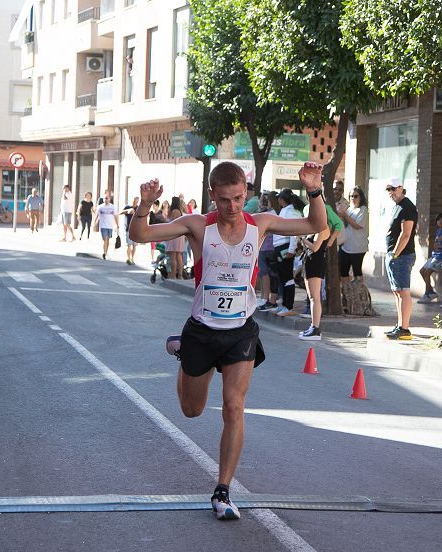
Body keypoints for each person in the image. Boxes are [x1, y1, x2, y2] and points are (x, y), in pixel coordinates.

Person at [130, 161, 325, 521]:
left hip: (240, 331)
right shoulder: (197, 225)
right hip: (202, 331)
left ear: (246, 194)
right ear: (211, 197)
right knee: (192, 411)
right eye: (224, 200)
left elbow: (316, 225)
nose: (232, 207)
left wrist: (313, 189)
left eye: (238, 198)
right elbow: (140, 235)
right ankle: (182, 350)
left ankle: (222, 490)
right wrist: (144, 204)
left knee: (234, 407)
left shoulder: (260, 224)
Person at [297, 200, 343, 342]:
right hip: (310, 261)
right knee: (311, 296)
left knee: (315, 297)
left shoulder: (323, 229)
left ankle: (315, 328)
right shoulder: (315, 228)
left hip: (315, 262)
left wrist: (303, 239)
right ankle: (313, 327)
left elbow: (315, 247)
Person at [384, 177, 418, 340]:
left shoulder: (407, 207)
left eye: (393, 189)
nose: (390, 192)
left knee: (403, 291)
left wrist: (395, 254)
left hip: (402, 256)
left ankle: (405, 328)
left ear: (400, 188)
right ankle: (400, 325)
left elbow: (406, 234)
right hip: (395, 256)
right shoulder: (397, 207)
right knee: (398, 292)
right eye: (388, 189)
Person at [270, 189, 305, 317]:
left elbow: (294, 232)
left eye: (279, 198)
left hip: (285, 248)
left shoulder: (291, 211)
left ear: (282, 200)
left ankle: (288, 306)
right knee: (283, 277)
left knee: (287, 277)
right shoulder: (286, 210)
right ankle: (284, 304)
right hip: (280, 247)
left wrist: (291, 250)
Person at [419, 213, 442, 303]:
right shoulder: (438, 231)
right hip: (434, 255)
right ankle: (430, 291)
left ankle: (427, 294)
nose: (440, 222)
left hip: (441, 257)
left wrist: (440, 246)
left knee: (427, 273)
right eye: (439, 220)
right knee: (422, 271)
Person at [338, 186, 368, 282]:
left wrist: (345, 216)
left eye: (356, 196)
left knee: (357, 272)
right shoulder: (349, 209)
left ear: (361, 197)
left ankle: (359, 294)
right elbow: (345, 224)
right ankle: (347, 293)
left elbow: (357, 225)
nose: (353, 198)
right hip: (346, 246)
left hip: (358, 248)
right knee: (343, 271)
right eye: (351, 196)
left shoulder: (363, 209)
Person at [165, 197, 186, 278]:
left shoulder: (174, 211)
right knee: (178, 256)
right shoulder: (179, 211)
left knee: (173, 256)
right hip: (179, 235)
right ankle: (180, 275)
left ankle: (174, 275)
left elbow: (173, 223)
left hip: (174, 234)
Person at [95, 193, 119, 260]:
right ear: (103, 199)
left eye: (107, 198)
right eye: (105, 198)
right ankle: (104, 252)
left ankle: (105, 252)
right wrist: (94, 224)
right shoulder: (100, 207)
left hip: (110, 226)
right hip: (103, 226)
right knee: (105, 239)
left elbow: (116, 216)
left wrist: (117, 225)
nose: (106, 199)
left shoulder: (113, 207)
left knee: (107, 240)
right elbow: (97, 216)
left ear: (109, 199)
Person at [122, 196, 140, 265]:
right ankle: (128, 258)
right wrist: (128, 211)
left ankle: (132, 258)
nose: (135, 202)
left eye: (137, 201)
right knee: (129, 245)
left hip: (136, 229)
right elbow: (121, 212)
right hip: (128, 229)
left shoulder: (138, 208)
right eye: (134, 200)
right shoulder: (128, 207)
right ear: (132, 200)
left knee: (134, 245)